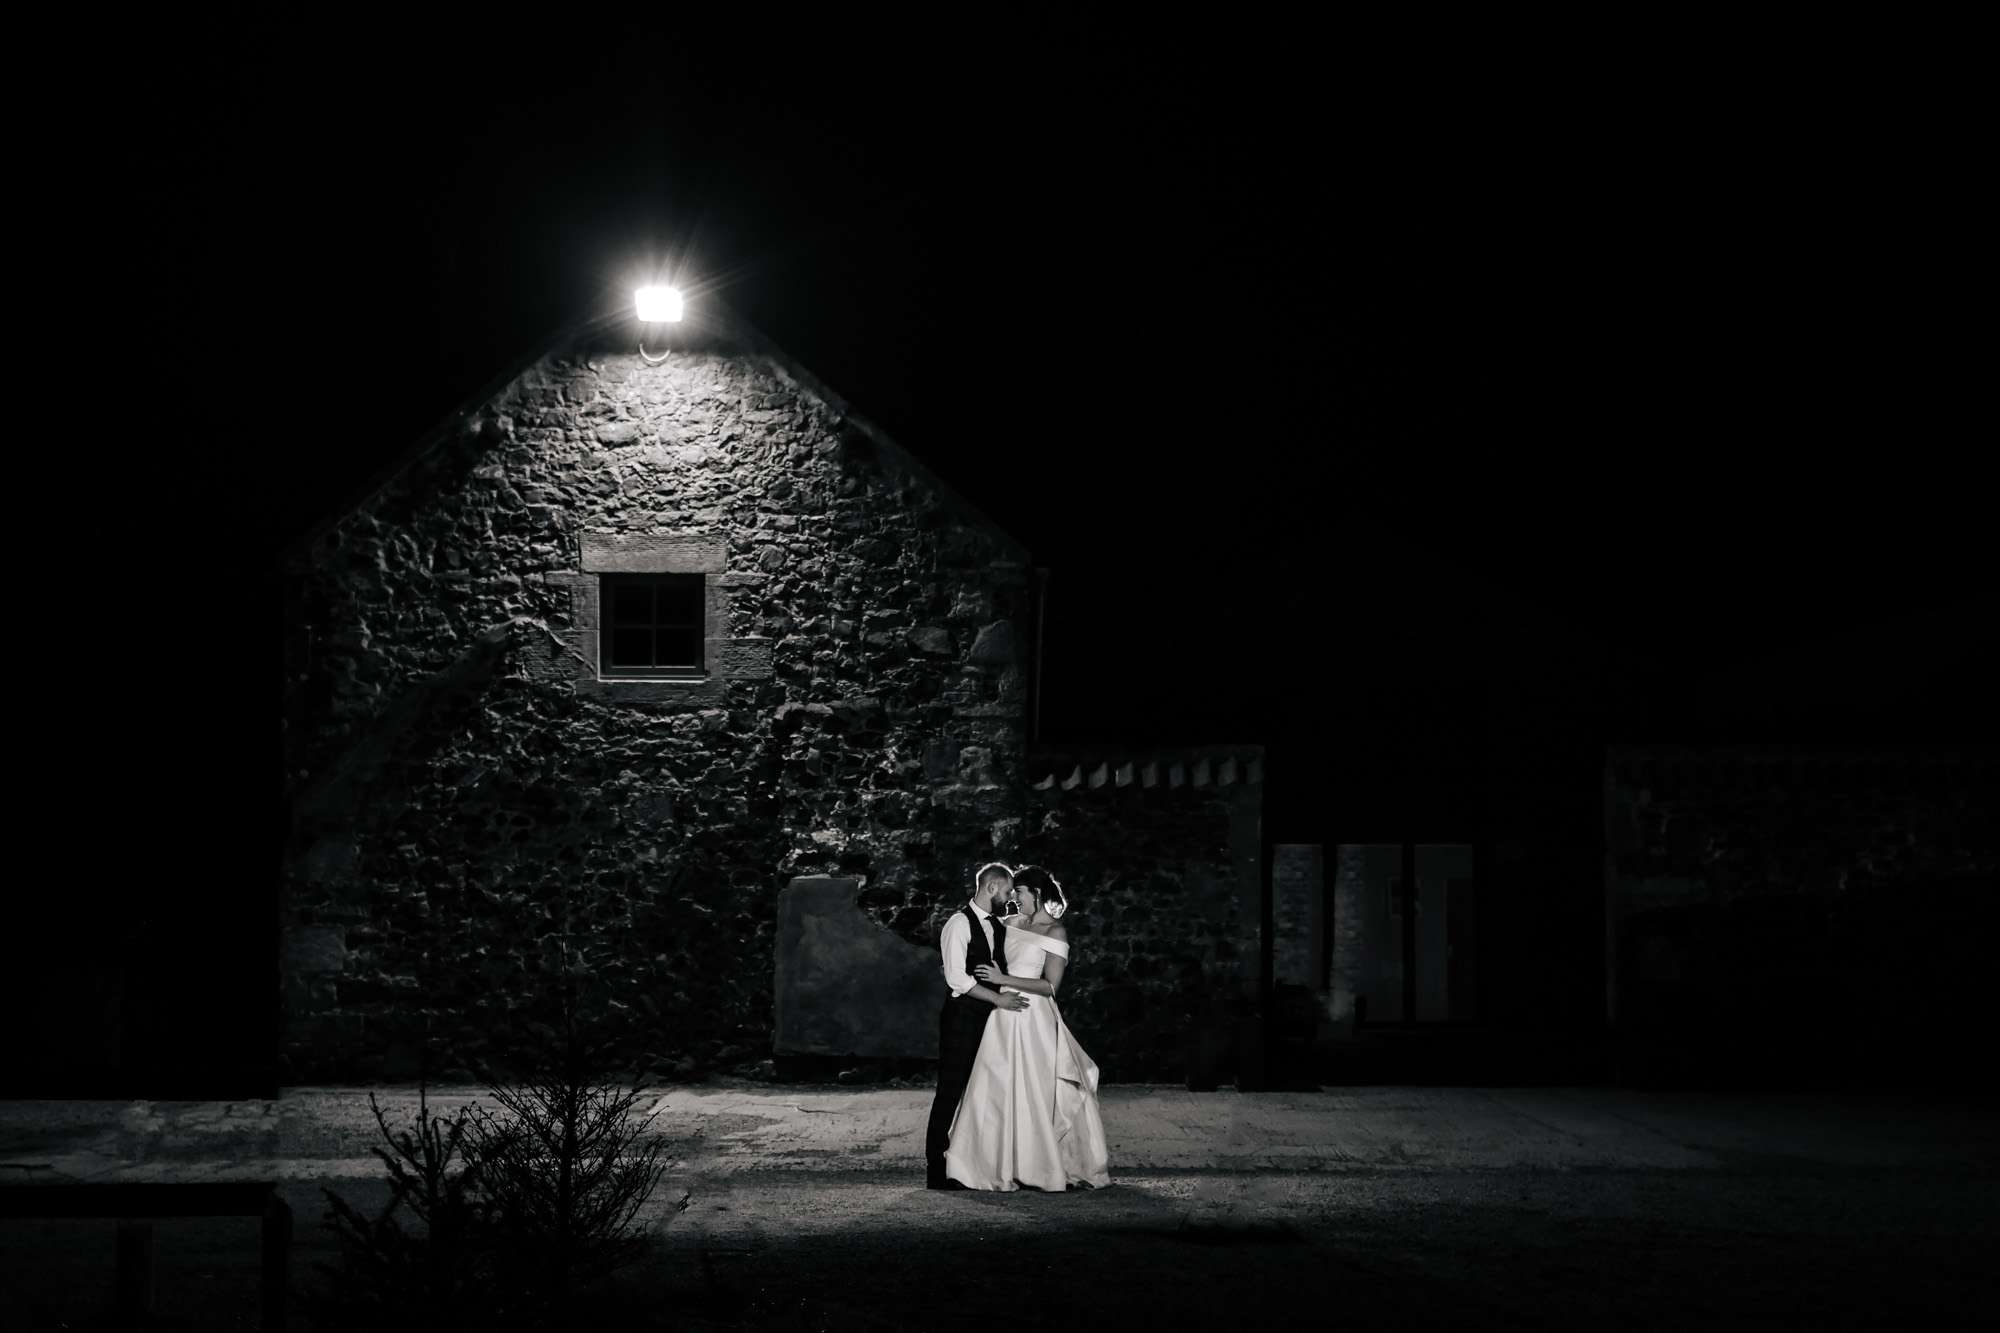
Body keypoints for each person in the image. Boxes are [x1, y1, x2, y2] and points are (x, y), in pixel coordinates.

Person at [944, 865, 1112, 1191]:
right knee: (995, 1087)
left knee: (1034, 1089)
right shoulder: (1010, 924)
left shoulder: (1055, 933)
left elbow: (1051, 986)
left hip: (1033, 1015)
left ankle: (1040, 1166)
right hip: (1003, 1012)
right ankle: (988, 1165)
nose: (1013, 899)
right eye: (1012, 892)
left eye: (1018, 892)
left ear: (1035, 893)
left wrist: (1003, 980)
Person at [926, 862, 1029, 1190]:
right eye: (1008, 891)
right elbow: (956, 977)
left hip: (992, 1022)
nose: (1011, 897)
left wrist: (1032, 896)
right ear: (992, 888)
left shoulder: (997, 923)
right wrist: (998, 999)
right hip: (962, 1019)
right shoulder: (958, 923)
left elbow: (1034, 910)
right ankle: (936, 1170)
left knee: (984, 1092)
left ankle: (975, 1165)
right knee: (951, 1091)